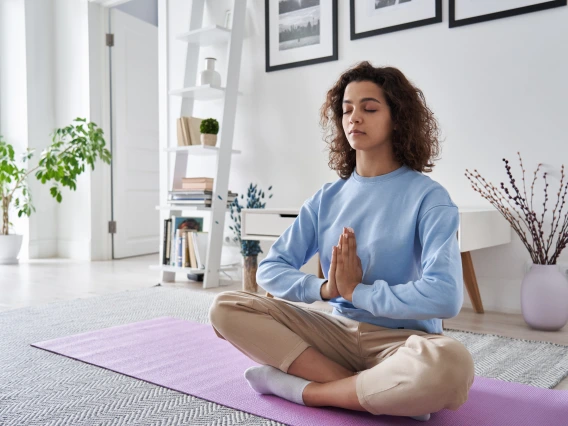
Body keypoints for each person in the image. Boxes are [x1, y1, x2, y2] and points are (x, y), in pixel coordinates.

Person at [209, 61, 475, 422]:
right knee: (225, 307)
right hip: (334, 335)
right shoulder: (327, 198)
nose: (354, 118)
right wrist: (325, 290)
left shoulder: (430, 198)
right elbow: (270, 269)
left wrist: (357, 292)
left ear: (397, 118)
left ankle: (309, 391)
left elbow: (445, 296)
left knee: (452, 364)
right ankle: (372, 391)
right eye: (347, 109)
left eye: (369, 108)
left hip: (402, 342)